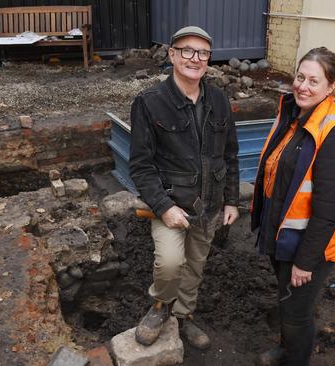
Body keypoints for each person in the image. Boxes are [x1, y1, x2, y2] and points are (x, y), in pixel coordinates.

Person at [129, 26, 240, 349]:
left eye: (203, 53)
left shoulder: (219, 100)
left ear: (208, 59)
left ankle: (184, 315)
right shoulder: (150, 103)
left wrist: (231, 201)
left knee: (195, 264)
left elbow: (230, 155)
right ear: (173, 55)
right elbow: (141, 165)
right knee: (170, 261)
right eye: (188, 50)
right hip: (171, 203)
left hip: (210, 205)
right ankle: (161, 307)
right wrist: (164, 207)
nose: (196, 58)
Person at [250, 47, 335, 365]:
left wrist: (305, 263)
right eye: (300, 77)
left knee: (296, 314)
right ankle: (286, 350)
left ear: (331, 88)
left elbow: (328, 212)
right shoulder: (295, 117)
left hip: (309, 247)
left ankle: (294, 359)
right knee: (287, 302)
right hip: (284, 236)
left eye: (314, 81)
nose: (303, 86)